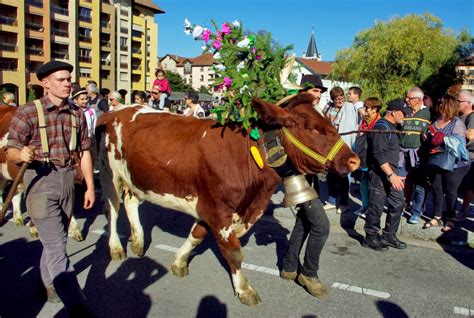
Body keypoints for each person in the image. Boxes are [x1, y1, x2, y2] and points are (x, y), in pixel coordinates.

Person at [5, 61, 95, 315]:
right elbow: (10, 151)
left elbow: (84, 152)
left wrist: (89, 186)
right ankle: (77, 305)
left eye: (69, 79)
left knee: (58, 241)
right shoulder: (28, 112)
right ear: (45, 83)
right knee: (56, 245)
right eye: (61, 80)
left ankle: (46, 283)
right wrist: (20, 152)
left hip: (68, 179)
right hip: (39, 182)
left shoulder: (77, 114)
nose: (68, 83)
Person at [280, 75, 330, 299]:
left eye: (321, 91)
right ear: (302, 91)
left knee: (303, 223)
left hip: (308, 177)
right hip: (296, 177)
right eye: (315, 90)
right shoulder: (295, 114)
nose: (318, 95)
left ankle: (289, 267)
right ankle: (308, 274)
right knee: (322, 226)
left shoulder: (312, 113)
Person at [363, 99, 409, 251]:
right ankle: (370, 236)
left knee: (398, 203)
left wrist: (395, 174)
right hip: (380, 174)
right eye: (403, 113)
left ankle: (389, 234)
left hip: (392, 173)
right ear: (393, 112)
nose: (405, 116)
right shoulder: (381, 127)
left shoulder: (392, 127)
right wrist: (391, 175)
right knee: (376, 205)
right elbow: (378, 154)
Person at [421, 95, 470, 232]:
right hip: (437, 160)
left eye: (442, 102)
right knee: (437, 187)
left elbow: (459, 145)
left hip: (454, 163)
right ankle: (436, 217)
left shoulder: (457, 123)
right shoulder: (437, 120)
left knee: (450, 189)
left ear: (449, 105)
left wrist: (441, 141)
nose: (439, 104)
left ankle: (450, 218)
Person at [322, 86, 359, 213]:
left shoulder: (348, 107)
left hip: (343, 146)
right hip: (330, 146)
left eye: (341, 97)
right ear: (332, 99)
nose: (340, 100)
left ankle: (344, 203)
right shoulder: (328, 108)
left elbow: (358, 109)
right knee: (331, 175)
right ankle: (332, 200)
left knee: (343, 175)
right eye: (337, 99)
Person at [400, 87, 431, 224]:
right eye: (406, 97)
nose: (406, 100)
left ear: (418, 100)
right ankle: (402, 205)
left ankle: (416, 211)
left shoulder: (427, 114)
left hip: (419, 155)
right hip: (403, 153)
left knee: (419, 185)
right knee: (403, 182)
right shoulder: (404, 111)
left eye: (409, 98)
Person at [353, 97, 382, 219]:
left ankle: (370, 208)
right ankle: (364, 205)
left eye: (367, 108)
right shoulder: (364, 121)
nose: (365, 110)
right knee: (363, 184)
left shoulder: (379, 123)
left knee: (372, 185)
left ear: (375, 109)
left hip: (372, 157)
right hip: (362, 156)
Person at [456, 90, 474, 221]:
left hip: (469, 156)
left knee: (468, 186)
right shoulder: (458, 116)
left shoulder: (472, 116)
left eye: (459, 101)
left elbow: (471, 135)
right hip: (458, 155)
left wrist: (455, 130)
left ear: (468, 103)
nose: (457, 103)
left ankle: (463, 211)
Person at [72, 87, 97, 173]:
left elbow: (94, 126)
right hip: (77, 142)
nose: (85, 101)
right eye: (82, 99)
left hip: (89, 139)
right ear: (75, 100)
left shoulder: (91, 111)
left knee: (91, 162)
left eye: (86, 99)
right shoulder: (72, 112)